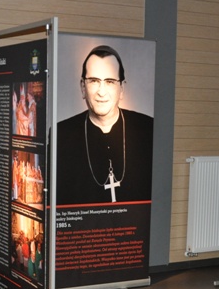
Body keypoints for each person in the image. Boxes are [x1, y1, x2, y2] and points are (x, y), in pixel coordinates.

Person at [57, 45, 153, 205]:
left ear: (121, 89)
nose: (101, 92)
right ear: (83, 87)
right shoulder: (61, 134)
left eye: (109, 82)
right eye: (94, 81)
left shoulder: (148, 128)